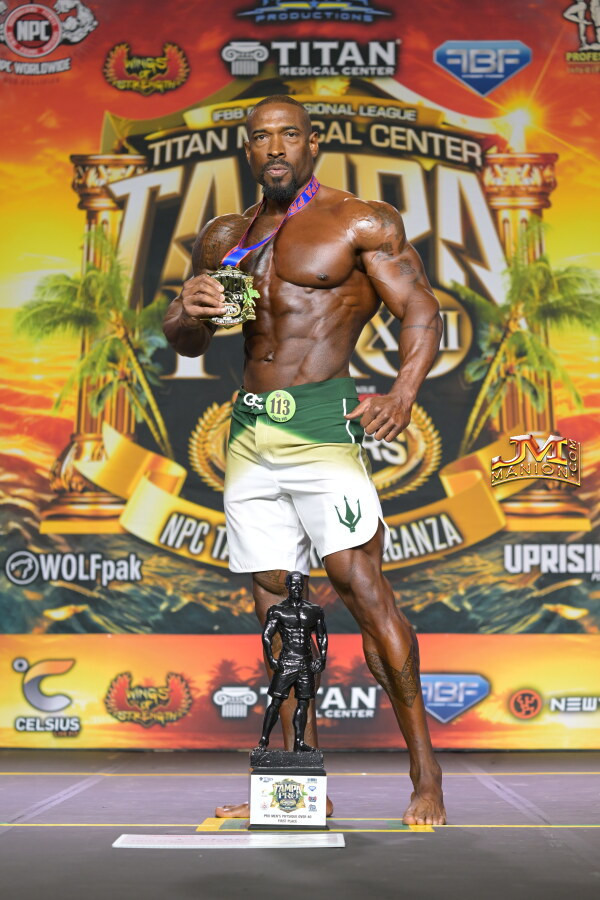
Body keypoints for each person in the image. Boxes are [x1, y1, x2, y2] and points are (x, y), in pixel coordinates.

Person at [163, 94, 446, 826]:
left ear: (312, 144)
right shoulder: (226, 236)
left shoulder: (359, 221)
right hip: (250, 434)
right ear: (248, 150)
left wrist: (403, 393)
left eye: (289, 134)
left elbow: (421, 308)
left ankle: (426, 774)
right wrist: (188, 308)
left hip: (323, 425)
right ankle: (298, 787)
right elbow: (187, 340)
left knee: (363, 590)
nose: (276, 147)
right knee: (276, 612)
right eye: (262, 137)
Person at [256, 571, 327, 753]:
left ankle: (299, 742)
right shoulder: (277, 610)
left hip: (306, 662)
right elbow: (267, 636)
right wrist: (271, 659)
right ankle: (263, 742)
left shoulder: (314, 610)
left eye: (299, 584)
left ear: (303, 586)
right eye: (293, 584)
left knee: (304, 703)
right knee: (276, 702)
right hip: (287, 662)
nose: (296, 588)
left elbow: (322, 636)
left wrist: (322, 658)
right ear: (287, 586)